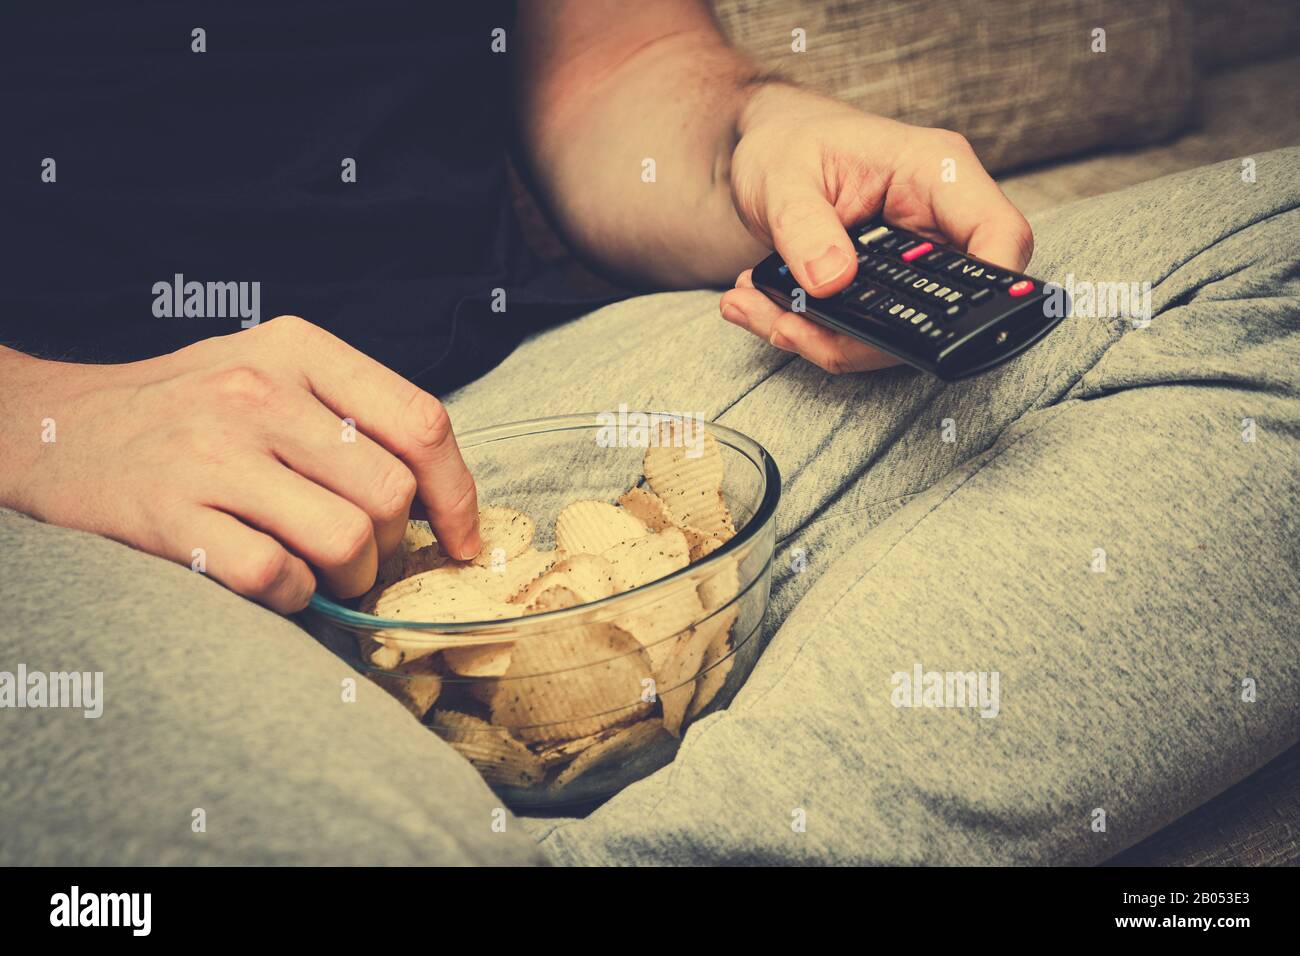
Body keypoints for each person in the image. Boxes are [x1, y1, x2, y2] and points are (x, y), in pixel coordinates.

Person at [1, 1, 1295, 866]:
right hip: (67, 494)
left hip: (508, 394)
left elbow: (614, 65)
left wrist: (755, 137)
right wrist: (47, 419)